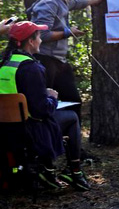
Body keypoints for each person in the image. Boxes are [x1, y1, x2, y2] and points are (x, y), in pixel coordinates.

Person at [0, 21, 89, 191]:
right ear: (31, 41)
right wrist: (52, 97)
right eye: (39, 36)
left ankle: (49, 170)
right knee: (72, 117)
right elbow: (41, 111)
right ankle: (75, 172)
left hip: (6, 129)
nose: (41, 40)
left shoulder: (3, 62)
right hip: (28, 130)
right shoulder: (31, 68)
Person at [28, 0, 105, 123]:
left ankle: (72, 143)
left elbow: (76, 3)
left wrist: (94, 1)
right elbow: (41, 35)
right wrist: (68, 32)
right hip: (45, 60)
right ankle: (48, 140)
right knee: (44, 104)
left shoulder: (62, 1)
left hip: (59, 61)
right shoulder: (49, 3)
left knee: (73, 101)